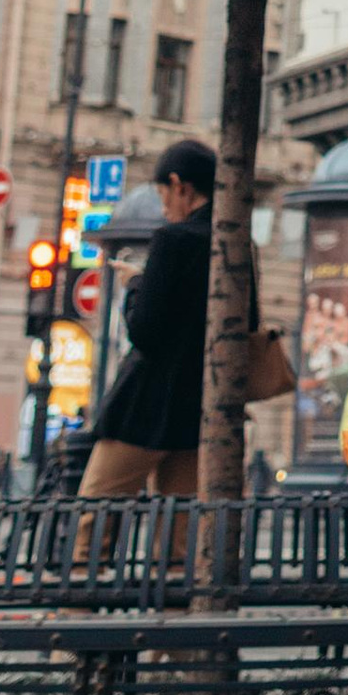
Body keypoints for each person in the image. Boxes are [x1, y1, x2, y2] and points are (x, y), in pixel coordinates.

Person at [81, 140, 224, 499]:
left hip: (144, 409)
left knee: (96, 516)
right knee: (179, 533)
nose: (164, 207)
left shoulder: (172, 240)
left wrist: (135, 285)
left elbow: (144, 332)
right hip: (199, 409)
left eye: (163, 195)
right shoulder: (234, 243)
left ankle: (86, 561)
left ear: (180, 186)